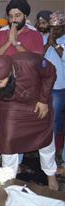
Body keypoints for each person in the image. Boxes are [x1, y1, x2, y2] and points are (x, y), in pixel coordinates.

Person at [0, 52, 58, 190]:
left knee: (46, 141)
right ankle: (8, 181)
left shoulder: (28, 61)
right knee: (7, 144)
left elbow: (51, 72)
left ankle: (51, 176)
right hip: (12, 108)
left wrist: (44, 99)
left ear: (10, 74)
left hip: (37, 102)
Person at [44, 11, 65, 173]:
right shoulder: (47, 38)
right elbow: (39, 56)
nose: (55, 31)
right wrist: (48, 42)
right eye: (52, 28)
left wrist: (55, 44)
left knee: (55, 121)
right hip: (44, 86)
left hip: (59, 87)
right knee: (43, 118)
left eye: (58, 29)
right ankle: (43, 147)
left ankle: (56, 151)